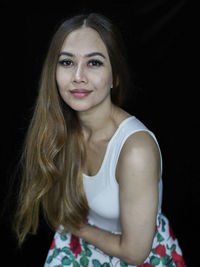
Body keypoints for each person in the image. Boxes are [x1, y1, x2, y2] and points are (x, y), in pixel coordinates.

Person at [15, 13, 186, 266]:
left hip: (134, 253)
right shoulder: (62, 127)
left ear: (115, 76)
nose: (78, 76)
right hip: (86, 237)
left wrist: (78, 229)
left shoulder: (136, 150)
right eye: (66, 62)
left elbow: (135, 253)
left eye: (94, 63)